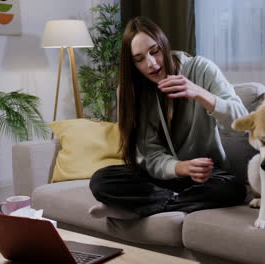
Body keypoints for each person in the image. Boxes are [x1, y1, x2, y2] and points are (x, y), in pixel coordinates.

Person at [88, 16, 248, 219]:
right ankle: (172, 201)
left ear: (164, 45)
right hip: (163, 175)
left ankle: (136, 207)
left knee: (232, 189)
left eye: (154, 52)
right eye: (139, 59)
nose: (151, 64)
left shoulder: (202, 69)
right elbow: (151, 155)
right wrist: (180, 167)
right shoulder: (132, 92)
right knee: (102, 180)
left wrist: (200, 93)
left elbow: (242, 124)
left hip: (205, 176)